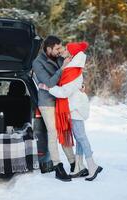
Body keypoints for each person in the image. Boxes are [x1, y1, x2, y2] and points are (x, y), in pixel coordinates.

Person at [39, 41, 103, 181]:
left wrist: (48, 88)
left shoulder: (72, 70)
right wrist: (81, 84)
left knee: (81, 137)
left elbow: (64, 92)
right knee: (79, 139)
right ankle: (78, 165)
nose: (64, 50)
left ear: (72, 53)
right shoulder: (72, 67)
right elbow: (74, 83)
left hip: (75, 108)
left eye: (67, 49)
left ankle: (92, 165)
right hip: (73, 107)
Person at [32, 35, 75, 182]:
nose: (59, 51)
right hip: (47, 102)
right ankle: (58, 167)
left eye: (60, 48)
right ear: (48, 48)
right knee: (53, 132)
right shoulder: (38, 63)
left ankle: (74, 163)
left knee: (64, 130)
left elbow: (71, 74)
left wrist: (79, 83)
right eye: (56, 48)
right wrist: (62, 68)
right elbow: (50, 82)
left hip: (62, 100)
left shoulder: (60, 57)